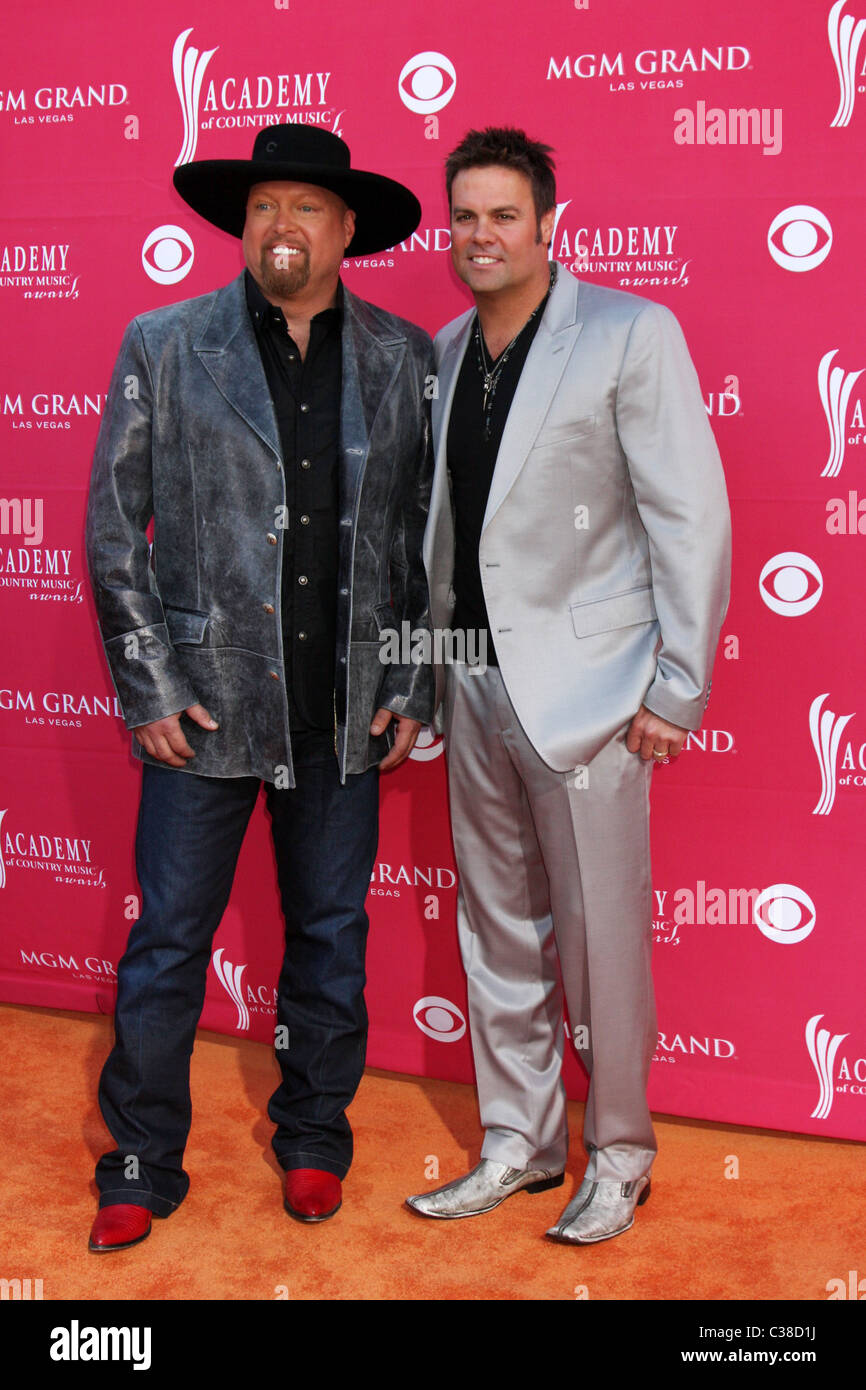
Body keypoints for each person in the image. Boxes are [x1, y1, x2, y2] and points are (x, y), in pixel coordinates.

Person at [85, 125, 434, 1250]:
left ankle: (314, 1138)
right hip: (205, 703)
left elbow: (433, 547)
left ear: (346, 232)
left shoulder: (404, 359)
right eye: (263, 207)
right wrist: (146, 686)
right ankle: (140, 1153)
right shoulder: (163, 343)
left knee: (329, 934)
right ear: (244, 226)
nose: (280, 226)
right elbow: (110, 531)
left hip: (344, 708)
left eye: (304, 208)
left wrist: (416, 684)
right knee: (170, 940)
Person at [407, 127, 731, 1243]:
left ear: (548, 222)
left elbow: (687, 517)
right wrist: (431, 682)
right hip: (475, 691)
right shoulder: (442, 352)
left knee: (600, 940)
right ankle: (518, 1140)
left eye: (502, 214)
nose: (480, 235)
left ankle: (621, 1152)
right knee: (494, 929)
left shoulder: (629, 334)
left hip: (592, 699)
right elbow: (446, 549)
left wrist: (675, 688)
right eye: (464, 217)